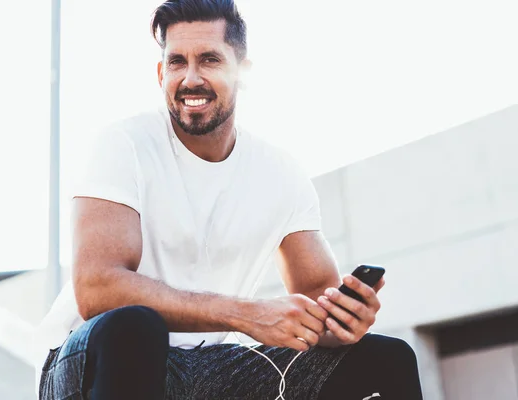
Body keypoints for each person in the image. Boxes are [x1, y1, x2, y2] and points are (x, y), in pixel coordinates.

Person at [34, 0, 423, 399]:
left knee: (389, 358)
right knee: (134, 327)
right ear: (160, 72)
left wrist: (344, 321)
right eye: (176, 63)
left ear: (243, 72)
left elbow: (316, 300)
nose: (190, 79)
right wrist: (247, 314)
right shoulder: (123, 145)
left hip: (207, 364)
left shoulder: (280, 173)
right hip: (87, 362)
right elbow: (98, 291)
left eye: (209, 60)